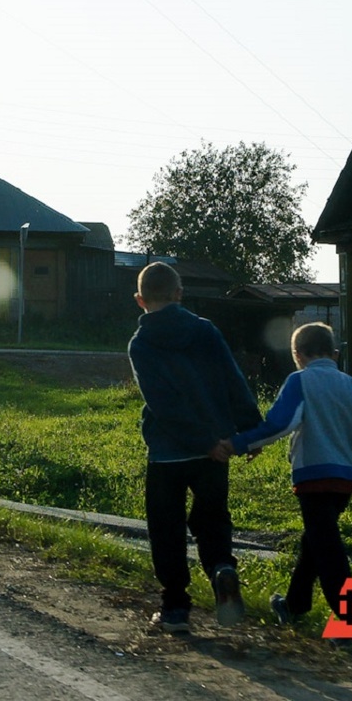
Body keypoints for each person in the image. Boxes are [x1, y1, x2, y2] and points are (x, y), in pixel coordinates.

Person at [211, 322, 352, 638]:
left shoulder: (299, 381)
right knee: (315, 542)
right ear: (335, 354)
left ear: (297, 355)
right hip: (344, 481)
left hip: (312, 478)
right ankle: (294, 605)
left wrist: (240, 443)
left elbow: (281, 424)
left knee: (329, 551)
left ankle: (351, 626)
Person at [128, 261, 262, 633]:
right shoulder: (205, 331)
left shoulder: (141, 343)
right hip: (215, 450)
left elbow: (162, 403)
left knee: (166, 528)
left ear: (140, 300)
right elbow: (232, 378)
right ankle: (222, 569)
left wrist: (199, 440)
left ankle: (174, 609)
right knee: (213, 520)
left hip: (168, 454)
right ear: (179, 294)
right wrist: (249, 430)